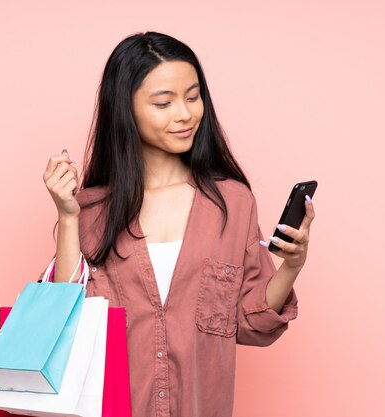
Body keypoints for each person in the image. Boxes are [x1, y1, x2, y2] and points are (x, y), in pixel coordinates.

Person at [42, 31, 315, 417]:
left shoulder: (232, 203)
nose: (185, 114)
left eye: (192, 96)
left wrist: (292, 266)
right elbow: (62, 324)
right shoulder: (90, 210)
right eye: (164, 102)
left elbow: (251, 323)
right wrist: (68, 217)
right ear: (125, 109)